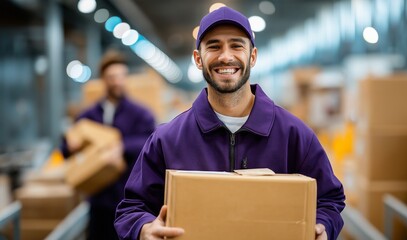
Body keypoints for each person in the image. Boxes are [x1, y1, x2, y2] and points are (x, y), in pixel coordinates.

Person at [115, 6, 345, 240]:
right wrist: (144, 229)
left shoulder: (294, 134)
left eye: (236, 45)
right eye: (214, 46)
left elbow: (329, 199)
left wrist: (323, 226)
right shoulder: (167, 139)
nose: (226, 56)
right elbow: (132, 207)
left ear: (252, 56)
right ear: (198, 59)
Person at [61, 50, 156, 240]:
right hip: (98, 199)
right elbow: (65, 149)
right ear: (104, 79)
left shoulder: (141, 114)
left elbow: (150, 143)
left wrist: (122, 146)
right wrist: (68, 145)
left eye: (121, 76)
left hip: (130, 199)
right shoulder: (88, 115)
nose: (117, 81)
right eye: (112, 77)